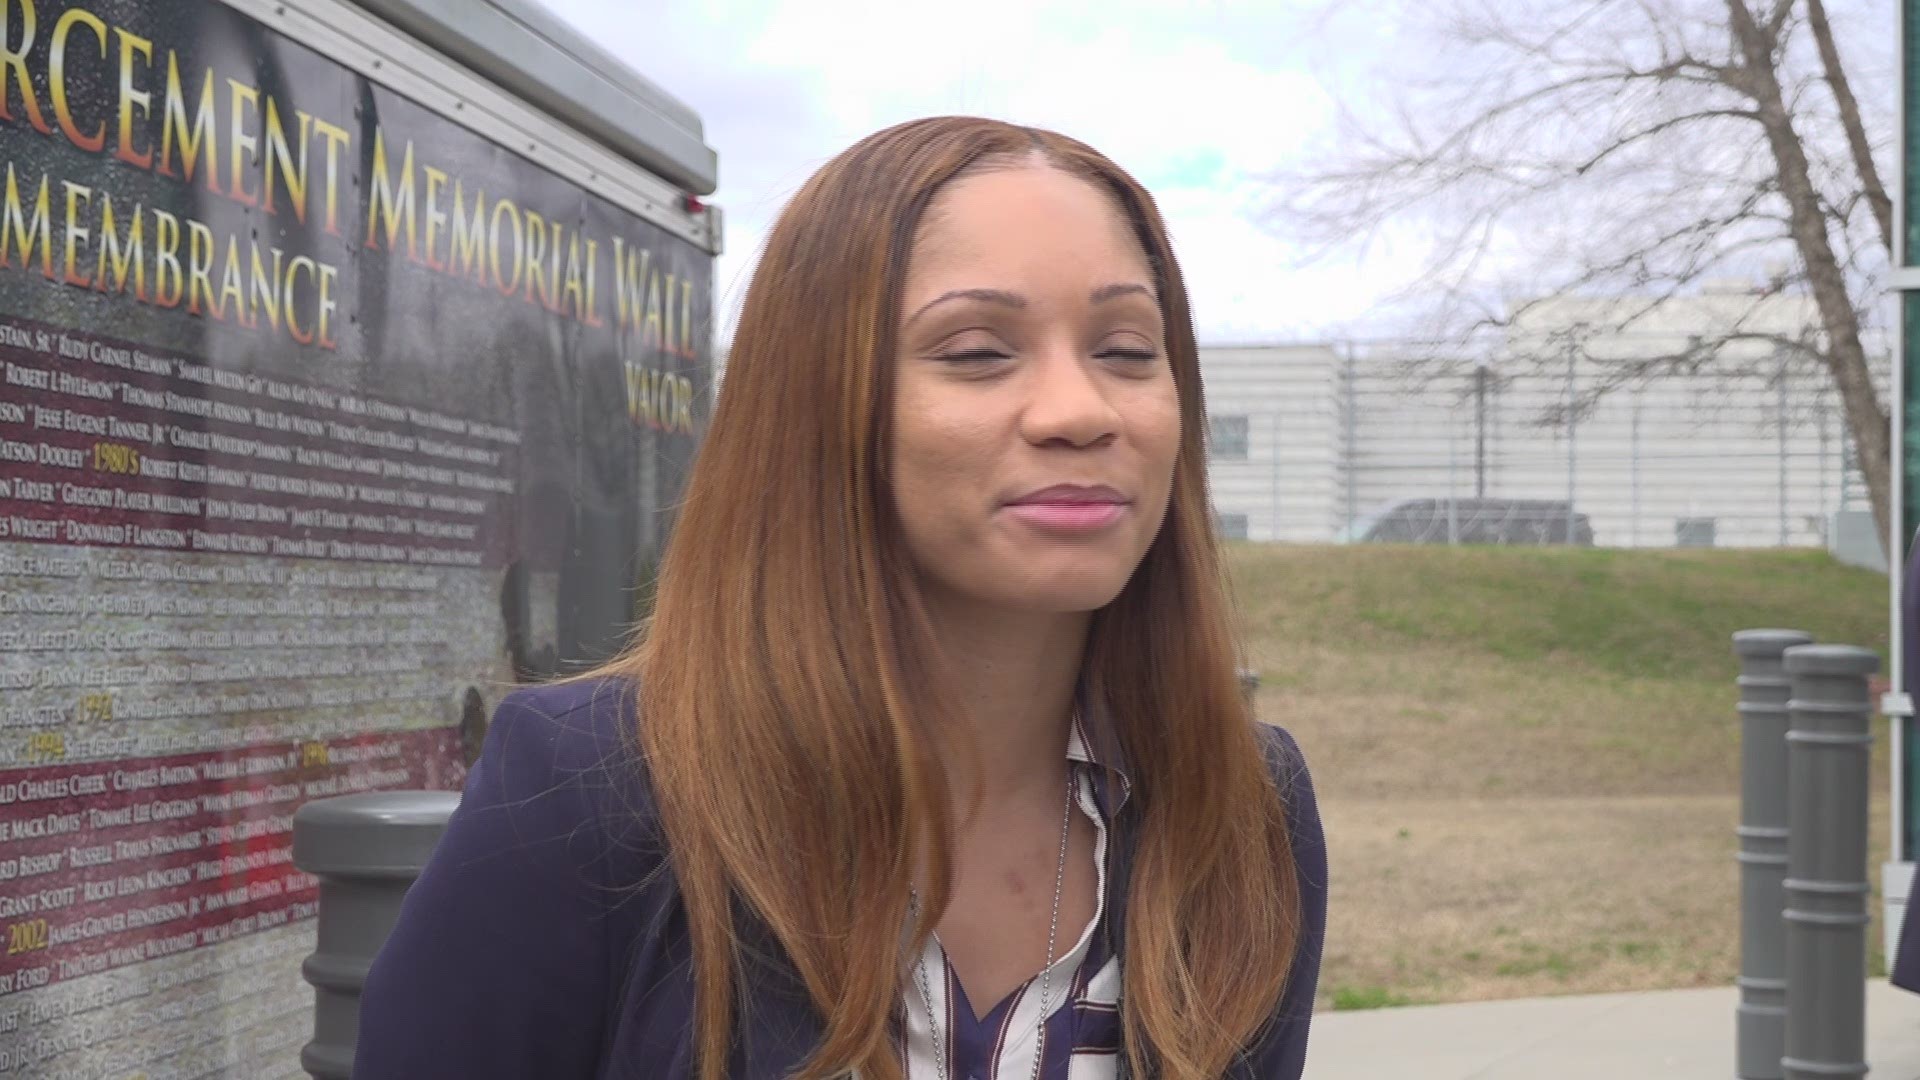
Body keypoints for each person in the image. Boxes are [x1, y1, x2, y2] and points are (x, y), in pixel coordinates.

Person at [352, 115, 1326, 1080]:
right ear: (819, 400)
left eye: (1125, 348)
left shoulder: (1245, 809)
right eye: (979, 350)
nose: (1081, 410)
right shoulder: (588, 787)